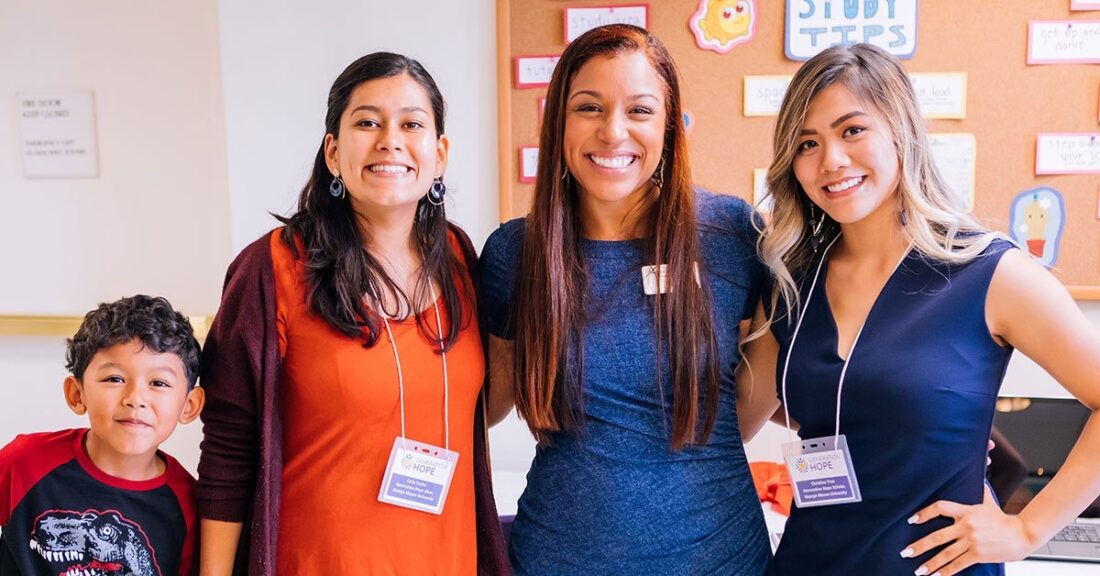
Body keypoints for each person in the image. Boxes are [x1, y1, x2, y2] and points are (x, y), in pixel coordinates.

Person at [736, 43, 1100, 576]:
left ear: (902, 132)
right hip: (808, 562)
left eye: (853, 130)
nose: (831, 160)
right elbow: (740, 420)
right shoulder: (792, 282)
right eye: (807, 142)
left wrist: (1026, 530)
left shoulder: (989, 271)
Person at [194, 52, 508, 575]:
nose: (390, 139)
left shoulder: (459, 258)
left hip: (447, 560)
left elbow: (474, 411)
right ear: (334, 153)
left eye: (412, 123)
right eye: (367, 122)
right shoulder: (271, 268)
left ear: (440, 153)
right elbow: (229, 446)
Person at [480, 24, 770, 575]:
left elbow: (777, 388)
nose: (613, 132)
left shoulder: (733, 235)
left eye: (639, 111)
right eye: (589, 108)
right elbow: (488, 402)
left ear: (669, 126)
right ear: (558, 121)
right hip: (556, 559)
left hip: (721, 559)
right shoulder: (516, 252)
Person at [0, 295, 205, 576]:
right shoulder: (24, 461)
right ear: (77, 394)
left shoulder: (188, 507)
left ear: (189, 406)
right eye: (114, 379)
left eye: (158, 383)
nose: (135, 399)